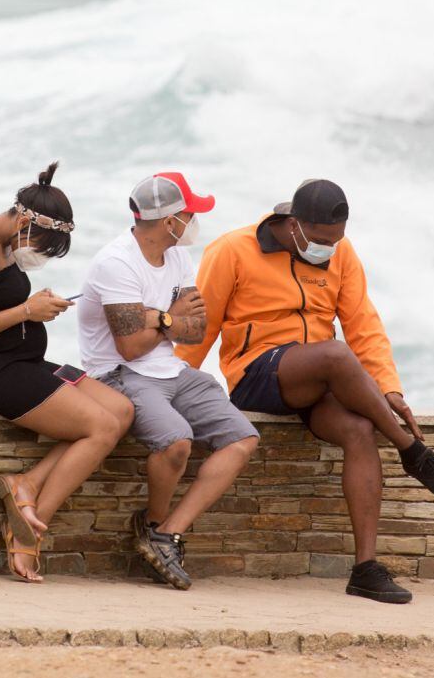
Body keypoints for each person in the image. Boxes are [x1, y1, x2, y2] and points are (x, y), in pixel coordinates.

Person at [175, 178, 434, 605]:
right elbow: (199, 330)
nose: (329, 249)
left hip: (320, 379)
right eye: (321, 240)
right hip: (257, 373)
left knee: (359, 430)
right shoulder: (231, 249)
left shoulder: (341, 253)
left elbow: (363, 324)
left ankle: (365, 569)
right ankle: (412, 452)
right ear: (293, 224)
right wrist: (173, 387)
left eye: (336, 240)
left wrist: (388, 387)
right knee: (333, 353)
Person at [0, 162, 134, 583]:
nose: (42, 257)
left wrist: (36, 307)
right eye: (44, 247)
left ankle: (26, 483)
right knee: (99, 428)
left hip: (21, 362)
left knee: (120, 410)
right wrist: (28, 310)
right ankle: (29, 528)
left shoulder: (6, 243)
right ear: (25, 222)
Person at [77, 172, 260, 590]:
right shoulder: (116, 262)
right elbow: (128, 348)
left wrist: (157, 319)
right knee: (176, 440)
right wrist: (169, 318)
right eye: (189, 213)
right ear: (168, 220)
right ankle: (154, 524)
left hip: (172, 369)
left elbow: (196, 328)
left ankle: (165, 534)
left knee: (242, 438)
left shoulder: (177, 256)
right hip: (120, 374)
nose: (194, 220)